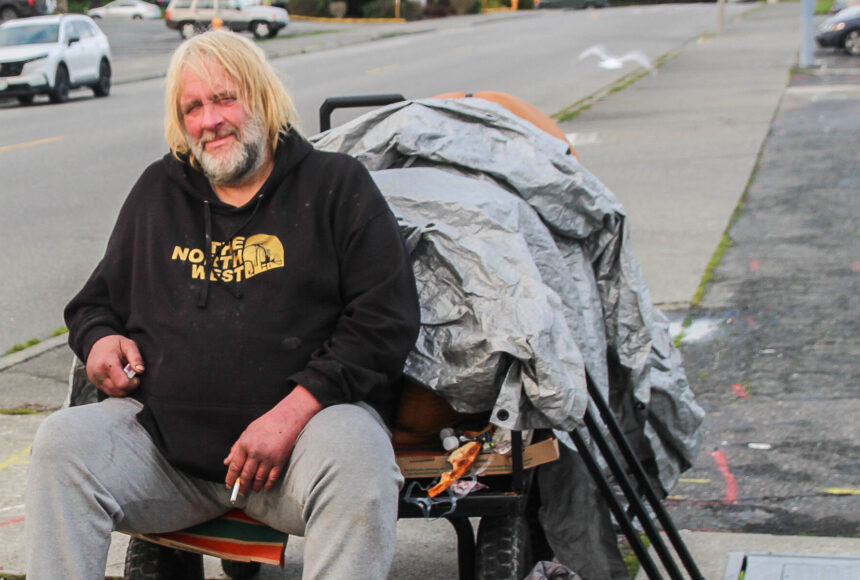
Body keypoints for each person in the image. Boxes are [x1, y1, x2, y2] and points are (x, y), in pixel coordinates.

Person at [25, 30, 420, 579]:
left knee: (360, 457)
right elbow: (94, 303)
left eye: (224, 98)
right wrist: (99, 341)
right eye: (193, 107)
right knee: (60, 444)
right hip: (167, 455)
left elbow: (386, 322)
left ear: (262, 97)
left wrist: (289, 416)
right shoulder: (158, 193)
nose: (210, 121)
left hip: (299, 453)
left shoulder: (336, 186)